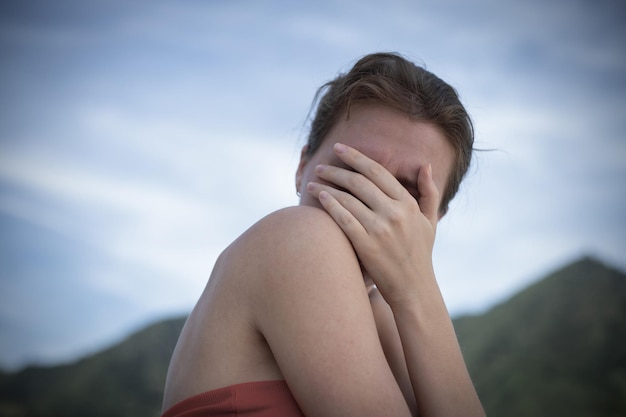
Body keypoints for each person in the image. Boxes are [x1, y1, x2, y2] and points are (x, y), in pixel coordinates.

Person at [161, 52, 485, 417]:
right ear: (302, 168)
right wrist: (416, 291)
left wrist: (416, 291)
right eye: (351, 171)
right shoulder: (297, 239)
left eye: (404, 194)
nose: (371, 204)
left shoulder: (388, 320)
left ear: (435, 219)